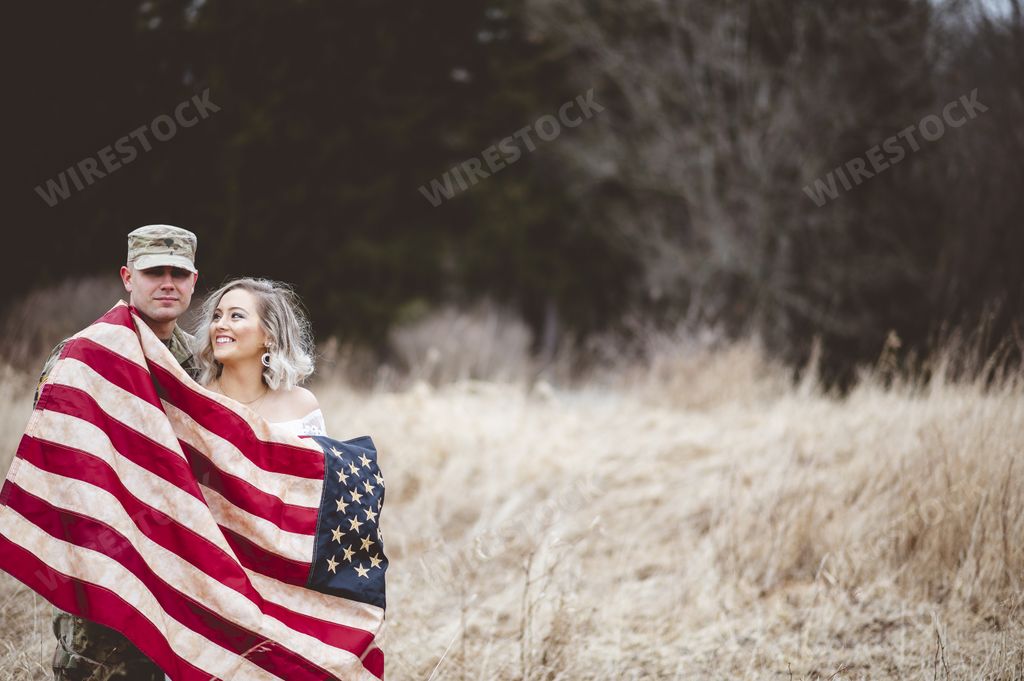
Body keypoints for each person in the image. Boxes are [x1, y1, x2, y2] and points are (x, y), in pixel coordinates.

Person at [35, 224, 201, 681]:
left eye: (178, 273)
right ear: (128, 277)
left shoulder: (200, 366)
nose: (167, 282)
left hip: (177, 566)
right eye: (153, 272)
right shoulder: (85, 355)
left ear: (194, 281)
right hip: (103, 560)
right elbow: (57, 458)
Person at [191, 277, 325, 436]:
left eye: (236, 316)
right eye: (217, 316)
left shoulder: (302, 405)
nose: (220, 325)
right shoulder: (196, 400)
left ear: (269, 335)